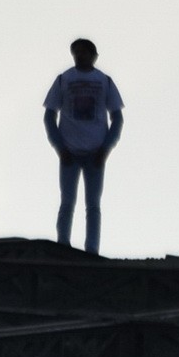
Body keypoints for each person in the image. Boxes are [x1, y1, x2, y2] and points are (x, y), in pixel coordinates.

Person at [43, 38, 124, 255]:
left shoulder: (104, 81)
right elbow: (49, 115)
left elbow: (117, 117)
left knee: (93, 205)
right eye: (76, 52)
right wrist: (60, 148)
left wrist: (105, 149)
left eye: (84, 52)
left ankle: (92, 249)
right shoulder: (63, 79)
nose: (80, 56)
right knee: (67, 202)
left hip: (96, 152)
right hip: (69, 151)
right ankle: (63, 245)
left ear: (94, 55)